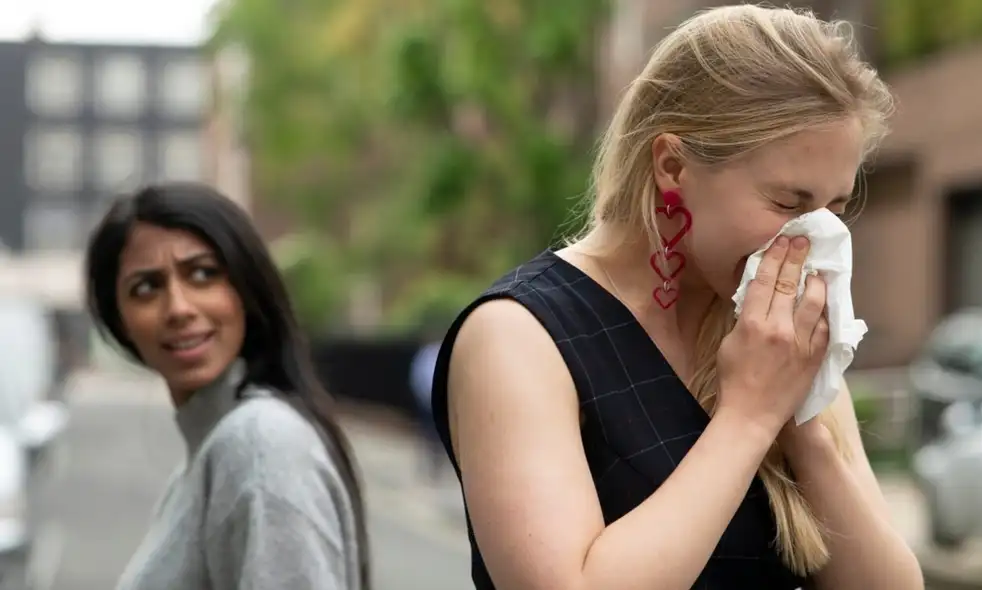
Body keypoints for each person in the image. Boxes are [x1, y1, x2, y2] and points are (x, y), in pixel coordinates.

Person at [432, 6, 923, 590]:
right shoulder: (519, 336)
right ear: (672, 166)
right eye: (788, 204)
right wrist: (749, 417)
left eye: (835, 210)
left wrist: (804, 429)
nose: (816, 237)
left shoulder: (774, 333)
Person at [85, 183, 369, 590]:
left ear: (246, 288)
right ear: (120, 322)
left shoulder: (259, 443)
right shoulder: (208, 455)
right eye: (146, 288)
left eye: (203, 274)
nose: (179, 308)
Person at [409, 336, 447, 481]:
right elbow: (419, 378)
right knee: (429, 434)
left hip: (441, 402)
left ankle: (440, 463)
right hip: (428, 402)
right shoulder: (426, 355)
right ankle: (431, 463)